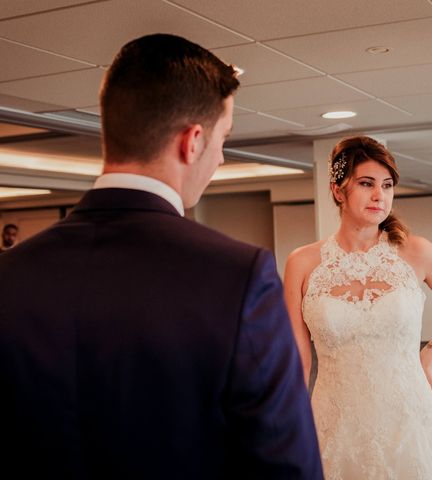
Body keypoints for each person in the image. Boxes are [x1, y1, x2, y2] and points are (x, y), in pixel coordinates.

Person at [0, 34, 322, 479]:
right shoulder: (240, 277)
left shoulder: (9, 274)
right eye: (222, 139)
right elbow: (287, 466)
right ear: (192, 142)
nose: (222, 159)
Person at [284, 135, 432, 479]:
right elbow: (298, 359)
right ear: (337, 190)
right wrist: (291, 423)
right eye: (366, 183)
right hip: (335, 420)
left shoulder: (414, 251)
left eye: (387, 186)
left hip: (409, 414)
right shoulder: (302, 262)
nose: (380, 195)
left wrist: (428, 357)